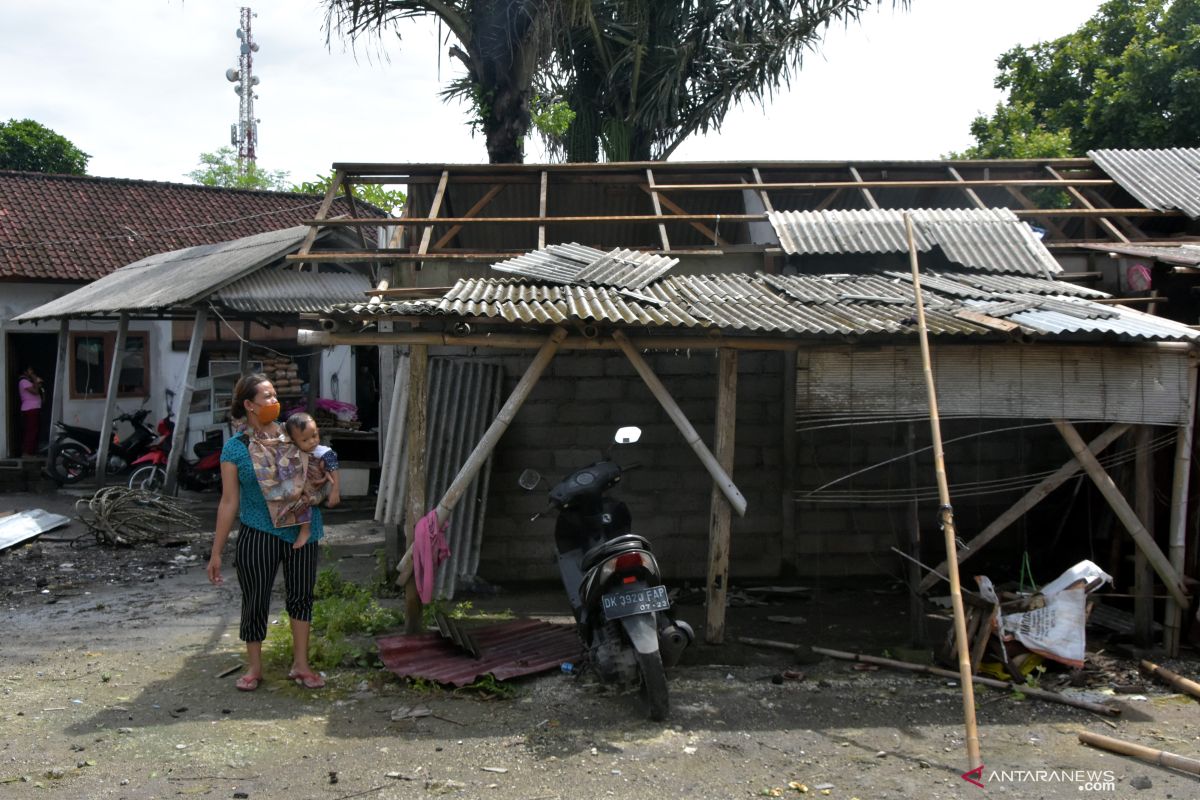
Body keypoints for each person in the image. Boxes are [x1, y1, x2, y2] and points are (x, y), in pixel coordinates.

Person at [206, 373, 326, 691]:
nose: (275, 402)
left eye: (275, 396)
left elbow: (320, 461)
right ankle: (254, 668)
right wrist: (216, 552)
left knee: (301, 598)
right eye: (267, 397)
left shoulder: (293, 434)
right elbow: (229, 502)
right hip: (259, 531)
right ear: (249, 405)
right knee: (255, 598)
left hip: (302, 530)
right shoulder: (235, 449)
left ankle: (301, 665)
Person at [277, 411, 341, 549]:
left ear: (318, 431)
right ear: (293, 440)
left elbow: (333, 468)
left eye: (314, 436)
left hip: (315, 489)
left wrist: (335, 491)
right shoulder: (292, 450)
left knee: (304, 501)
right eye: (305, 440)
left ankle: (305, 530)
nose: (312, 441)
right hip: (301, 487)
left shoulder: (323, 452)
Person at [17, 366, 44, 457]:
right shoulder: (23, 381)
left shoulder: (28, 381)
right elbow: (35, 391)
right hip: (30, 409)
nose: (32, 371)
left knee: (34, 430)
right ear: (25, 372)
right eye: (30, 370)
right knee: (31, 431)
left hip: (34, 408)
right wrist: (35, 380)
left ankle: (31, 451)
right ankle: (27, 453)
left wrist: (36, 382)